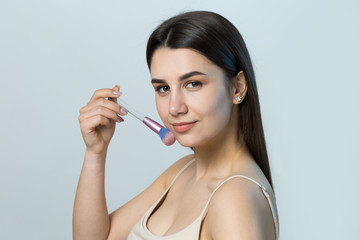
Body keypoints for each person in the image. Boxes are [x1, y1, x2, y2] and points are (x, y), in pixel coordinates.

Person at [73, 11, 279, 240]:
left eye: (193, 84)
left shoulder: (234, 198)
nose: (174, 107)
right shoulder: (182, 172)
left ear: (238, 87)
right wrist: (95, 152)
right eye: (163, 88)